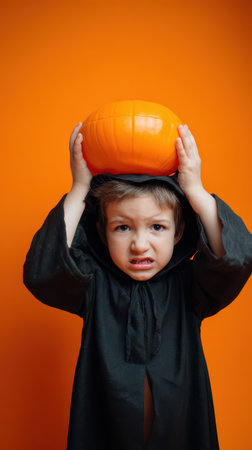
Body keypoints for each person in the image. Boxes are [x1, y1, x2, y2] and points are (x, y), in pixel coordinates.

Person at [23, 122, 252, 450]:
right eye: (123, 228)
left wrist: (196, 190)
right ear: (102, 234)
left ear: (178, 232)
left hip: (181, 434)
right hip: (106, 433)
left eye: (157, 226)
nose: (139, 245)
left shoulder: (191, 287)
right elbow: (42, 272)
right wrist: (79, 190)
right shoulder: (93, 283)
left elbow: (237, 257)